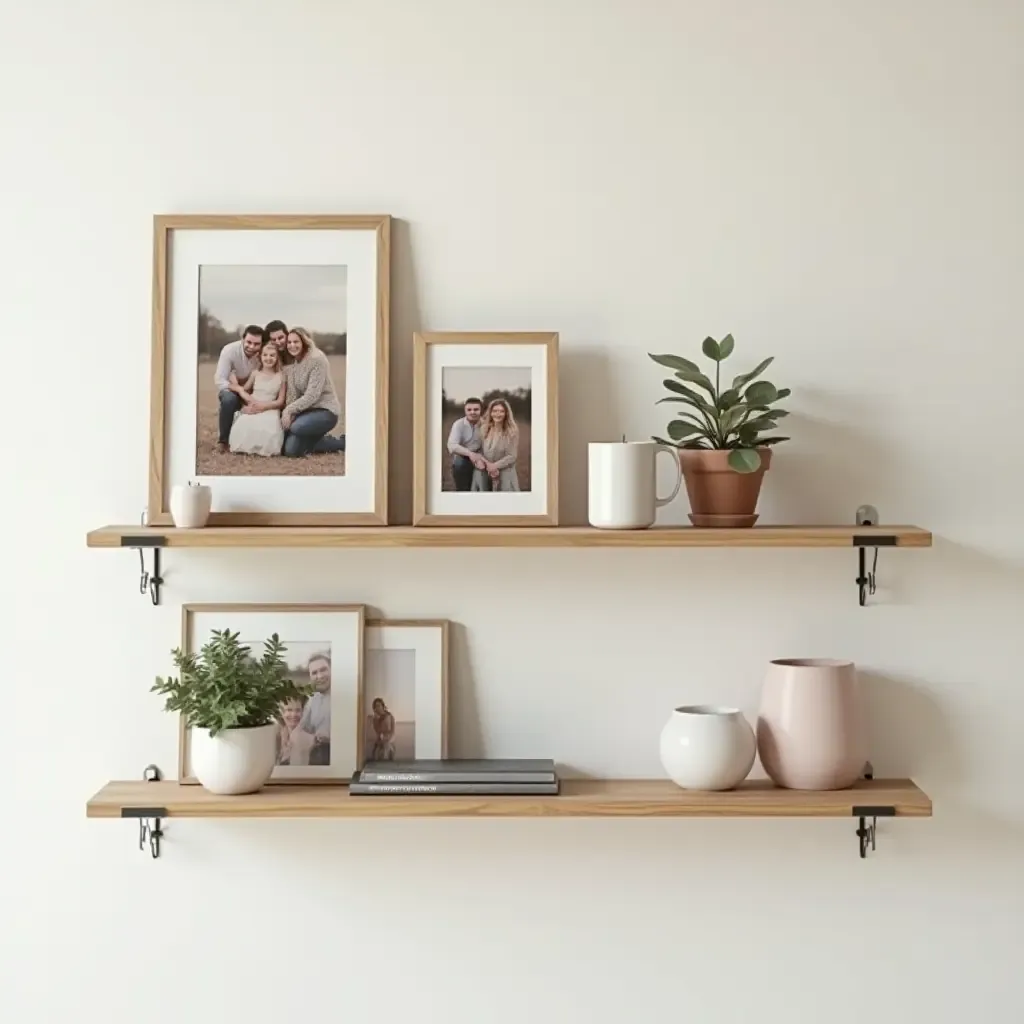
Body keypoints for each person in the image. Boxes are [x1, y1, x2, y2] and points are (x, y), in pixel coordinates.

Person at [281, 328, 347, 457]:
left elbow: (312, 395)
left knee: (296, 428)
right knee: (290, 450)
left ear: (304, 341)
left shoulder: (317, 359)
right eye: (289, 342)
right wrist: (289, 415)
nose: (292, 345)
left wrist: (288, 411)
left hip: (325, 411)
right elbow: (293, 395)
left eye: (296, 342)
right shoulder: (294, 364)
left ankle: (342, 442)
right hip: (305, 412)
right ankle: (314, 440)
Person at [227, 339, 286, 456]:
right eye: (265, 355)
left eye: (272, 355)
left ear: (277, 358)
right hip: (253, 406)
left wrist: (263, 406)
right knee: (246, 424)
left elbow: (280, 401)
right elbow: (244, 390)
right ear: (260, 357)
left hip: (270, 408)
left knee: (267, 427)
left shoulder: (281, 376)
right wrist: (246, 403)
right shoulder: (255, 373)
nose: (268, 358)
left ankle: (263, 448)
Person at [213, 325, 264, 452]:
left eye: (256, 344)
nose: (252, 347)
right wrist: (239, 390)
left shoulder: (265, 354)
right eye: (249, 342)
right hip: (232, 390)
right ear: (243, 339)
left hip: (254, 389)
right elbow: (220, 380)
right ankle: (223, 441)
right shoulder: (229, 350)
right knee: (229, 399)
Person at [472, 398, 521, 491]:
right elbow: (480, 451)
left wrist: (495, 466)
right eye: (495, 411)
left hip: (505, 470)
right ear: (490, 412)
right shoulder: (484, 428)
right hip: (486, 469)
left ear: (506, 413)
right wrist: (488, 466)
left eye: (501, 411)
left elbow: (512, 456)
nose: (497, 414)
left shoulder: (512, 431)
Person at [298, 651, 332, 765]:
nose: (320, 676)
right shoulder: (312, 699)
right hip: (317, 755)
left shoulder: (345, 696)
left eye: (323, 670)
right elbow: (300, 730)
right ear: (310, 677)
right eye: (314, 673)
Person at [446, 397, 486, 491]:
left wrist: (480, 458)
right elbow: (452, 445)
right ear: (465, 411)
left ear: (481, 410)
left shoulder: (486, 424)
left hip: (482, 455)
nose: (472, 412)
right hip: (463, 455)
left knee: (484, 485)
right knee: (459, 465)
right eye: (469, 410)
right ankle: (462, 492)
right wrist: (471, 454)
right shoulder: (458, 424)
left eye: (476, 409)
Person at [276, 697, 315, 766]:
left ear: (302, 712)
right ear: (282, 713)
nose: (294, 714)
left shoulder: (310, 739)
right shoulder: (276, 737)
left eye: (298, 710)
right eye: (289, 710)